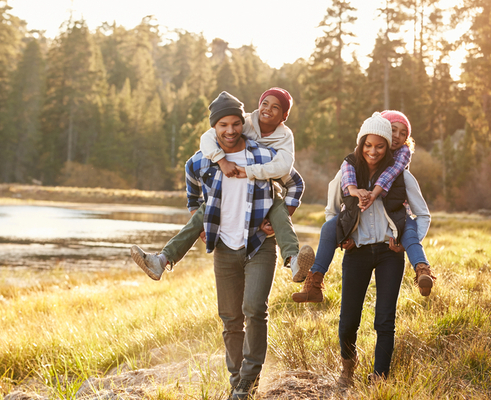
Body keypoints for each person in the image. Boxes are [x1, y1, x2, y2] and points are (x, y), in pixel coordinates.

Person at [181, 91, 305, 399]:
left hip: (259, 244)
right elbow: (192, 193)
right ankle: (236, 380)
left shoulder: (264, 155)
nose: (230, 130)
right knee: (230, 319)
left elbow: (295, 182)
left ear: (242, 124)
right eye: (223, 125)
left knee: (254, 309)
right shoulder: (202, 159)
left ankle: (247, 384)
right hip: (224, 246)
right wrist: (199, 222)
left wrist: (279, 219)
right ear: (214, 127)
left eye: (235, 124)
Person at [130, 88, 314, 283]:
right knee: (204, 212)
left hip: (266, 192)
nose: (267, 109)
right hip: (226, 194)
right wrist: (221, 161)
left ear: (284, 116)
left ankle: (294, 261)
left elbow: (288, 170)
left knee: (278, 210)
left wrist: (280, 216)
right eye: (265, 103)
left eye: (275, 107)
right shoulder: (245, 123)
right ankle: (161, 260)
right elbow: (208, 138)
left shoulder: (284, 138)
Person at [322, 112, 431, 385]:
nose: (374, 150)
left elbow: (423, 215)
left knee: (385, 319)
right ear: (363, 143)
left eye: (381, 145)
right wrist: (342, 236)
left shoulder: (402, 176)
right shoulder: (347, 172)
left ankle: (380, 376)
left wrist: (406, 243)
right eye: (369, 145)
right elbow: (331, 211)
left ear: (387, 147)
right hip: (356, 252)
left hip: (388, 254)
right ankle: (348, 366)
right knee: (348, 319)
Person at [292, 110, 436, 303]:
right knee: (328, 228)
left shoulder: (400, 164)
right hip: (358, 238)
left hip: (396, 222)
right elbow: (334, 204)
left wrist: (374, 194)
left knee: (409, 232)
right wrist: (344, 234)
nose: (397, 137)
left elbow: (392, 177)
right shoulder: (351, 164)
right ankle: (314, 281)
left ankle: (422, 270)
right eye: (393, 130)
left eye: (403, 133)